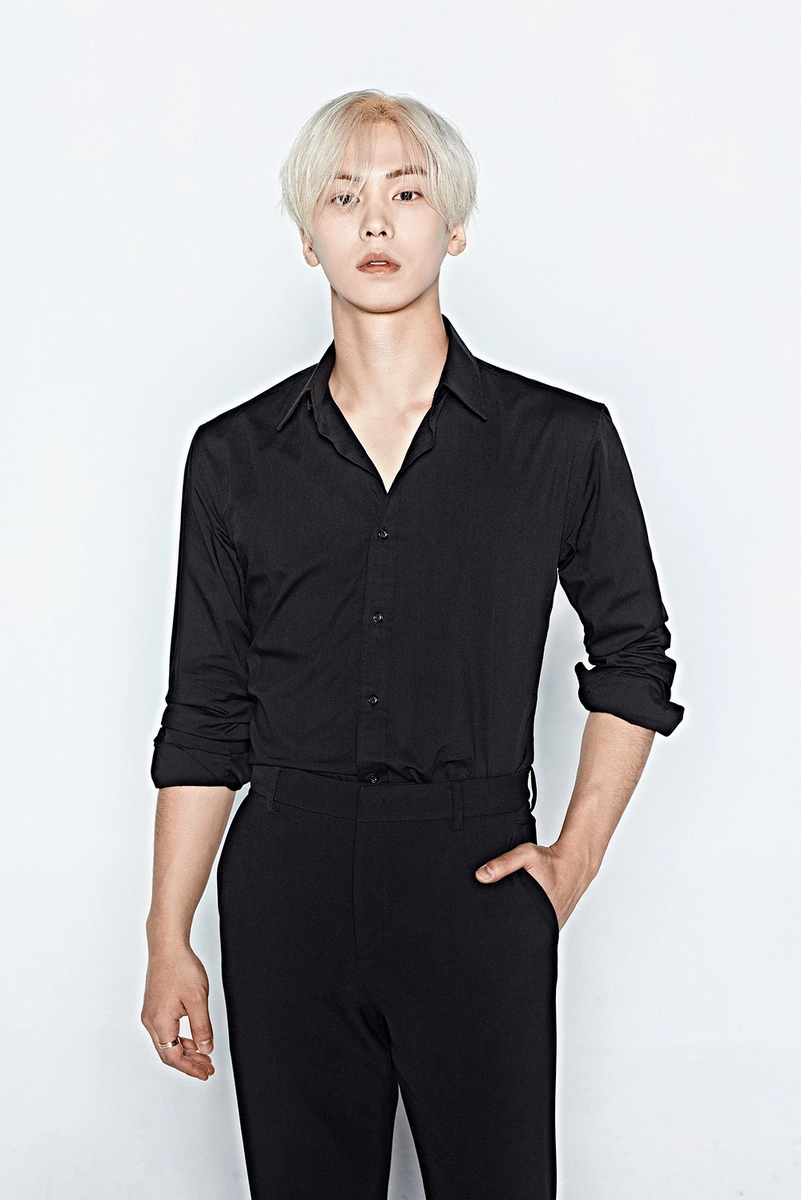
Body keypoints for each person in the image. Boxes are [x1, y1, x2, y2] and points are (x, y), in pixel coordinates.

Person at [141, 88, 684, 1200]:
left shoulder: (559, 441)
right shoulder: (233, 457)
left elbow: (633, 654)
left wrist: (571, 862)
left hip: (473, 880)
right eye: (343, 197)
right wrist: (167, 933)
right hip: (285, 884)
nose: (376, 221)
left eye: (406, 192)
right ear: (309, 236)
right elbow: (203, 713)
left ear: (455, 225)